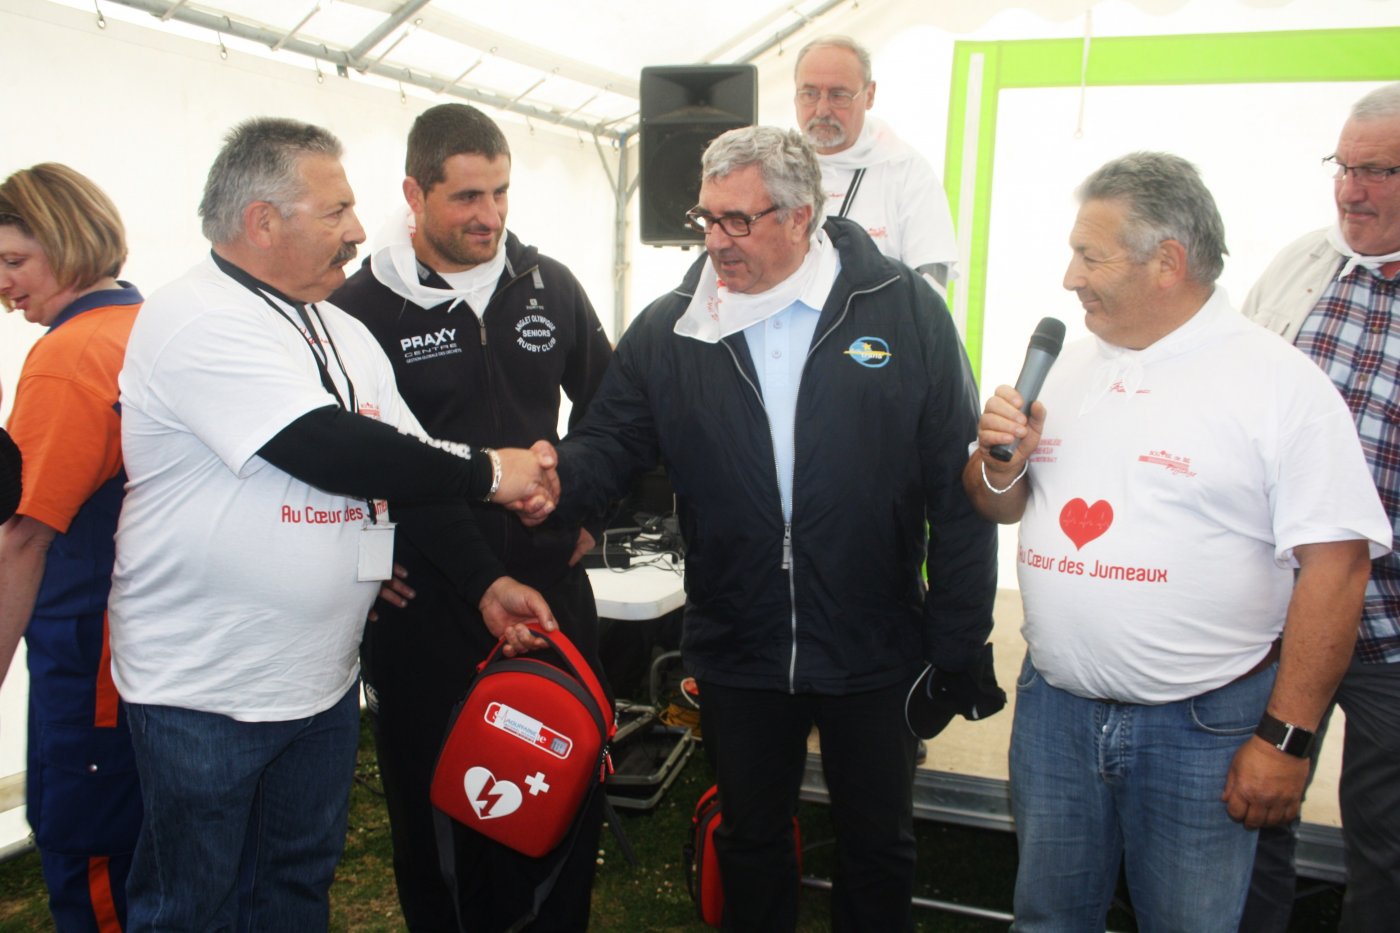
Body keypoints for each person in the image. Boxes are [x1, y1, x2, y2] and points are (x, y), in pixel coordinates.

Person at [106, 117, 561, 931]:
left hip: (318, 683)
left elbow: (409, 465)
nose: (357, 229)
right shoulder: (198, 317)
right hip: (207, 693)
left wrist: (485, 583)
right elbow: (329, 447)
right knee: (193, 907)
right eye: (336, 211)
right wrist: (495, 472)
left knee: (293, 887)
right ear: (262, 221)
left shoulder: (338, 327)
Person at [545, 125, 998, 932]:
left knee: (878, 847)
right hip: (739, 638)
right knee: (751, 840)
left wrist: (956, 642)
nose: (716, 240)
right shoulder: (675, 325)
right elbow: (610, 442)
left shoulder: (903, 311)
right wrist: (549, 484)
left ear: (800, 216)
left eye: (738, 220)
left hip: (874, 638)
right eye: (706, 217)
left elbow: (959, 488)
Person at [965, 151, 1391, 931]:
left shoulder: (1278, 382)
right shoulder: (1066, 367)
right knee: (1048, 917)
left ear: (1167, 261)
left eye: (1090, 256)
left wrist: (1285, 739)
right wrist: (998, 463)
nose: (1069, 277)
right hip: (1055, 710)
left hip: (1203, 726)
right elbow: (1000, 505)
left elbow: (1339, 567)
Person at [330, 102, 613, 931]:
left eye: (501, 193)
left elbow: (615, 412)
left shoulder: (549, 283)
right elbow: (345, 456)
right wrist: (364, 554)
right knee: (441, 823)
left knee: (556, 797)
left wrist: (587, 507)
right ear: (414, 194)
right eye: (466, 197)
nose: (490, 215)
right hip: (430, 607)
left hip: (552, 595)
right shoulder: (358, 308)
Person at [1239, 82, 1400, 933]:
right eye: (1343, 165)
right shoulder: (1304, 262)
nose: (1350, 190)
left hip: (1392, 628)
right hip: (1280, 611)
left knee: (1389, 842)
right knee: (1254, 811)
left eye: (1377, 172)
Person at [0, 163, 142, 932]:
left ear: (67, 239)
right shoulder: (151, 324)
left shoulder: (68, 355)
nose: (3, 285)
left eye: (14, 260)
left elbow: (22, 539)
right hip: (152, 648)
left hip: (91, 653)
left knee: (93, 866)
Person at [793, 35, 958, 294]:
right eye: (809, 94)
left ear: (869, 95)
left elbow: (930, 286)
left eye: (838, 95)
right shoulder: (776, 168)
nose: (822, 109)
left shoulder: (906, 171)